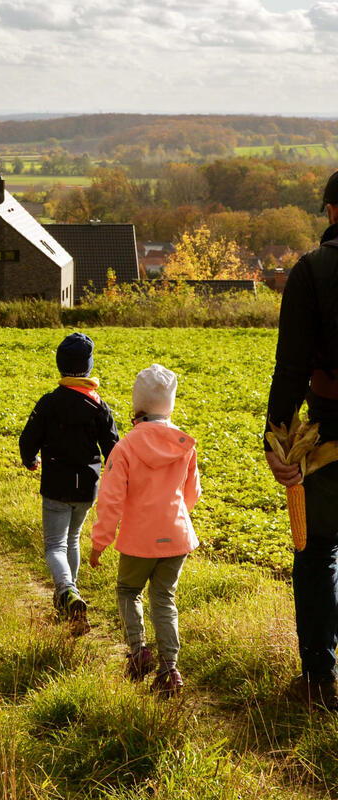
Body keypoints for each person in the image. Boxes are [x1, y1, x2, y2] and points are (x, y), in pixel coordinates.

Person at [265, 169, 338, 709]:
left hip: (331, 438)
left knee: (317, 554)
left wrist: (276, 441)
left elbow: (290, 369)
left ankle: (319, 679)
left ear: (331, 212)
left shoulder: (312, 272)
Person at [90, 364, 200, 696]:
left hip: (139, 540)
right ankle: (170, 669)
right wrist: (171, 518)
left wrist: (99, 542)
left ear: (137, 407)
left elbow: (110, 500)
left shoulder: (124, 448)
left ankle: (138, 652)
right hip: (177, 535)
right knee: (164, 599)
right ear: (170, 403)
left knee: (128, 591)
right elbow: (192, 494)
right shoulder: (185, 444)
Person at [19, 332, 119, 624]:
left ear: (60, 366)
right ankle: (71, 599)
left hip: (56, 486)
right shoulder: (99, 406)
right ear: (88, 367)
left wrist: (30, 460)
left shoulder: (49, 402)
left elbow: (28, 439)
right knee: (72, 538)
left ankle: (67, 591)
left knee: (54, 546)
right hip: (87, 487)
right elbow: (114, 449)